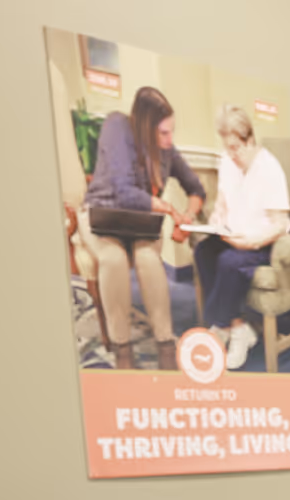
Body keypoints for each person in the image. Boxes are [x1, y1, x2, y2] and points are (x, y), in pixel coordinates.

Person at [80, 85, 205, 370]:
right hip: (103, 216)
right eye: (163, 133)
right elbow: (124, 192)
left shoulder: (166, 150)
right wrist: (170, 210)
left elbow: (196, 188)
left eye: (171, 132)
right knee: (113, 260)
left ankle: (165, 344)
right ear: (145, 127)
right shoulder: (117, 126)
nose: (169, 139)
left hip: (140, 226)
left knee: (149, 259)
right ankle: (122, 349)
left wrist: (187, 216)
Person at [192, 104, 290, 371]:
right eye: (227, 147)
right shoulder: (227, 161)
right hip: (233, 235)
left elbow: (280, 224)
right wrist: (216, 220)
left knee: (228, 262)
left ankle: (221, 326)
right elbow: (222, 204)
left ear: (249, 139)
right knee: (203, 252)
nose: (231, 154)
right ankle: (237, 326)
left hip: (263, 242)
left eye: (236, 148)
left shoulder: (269, 168)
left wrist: (252, 242)